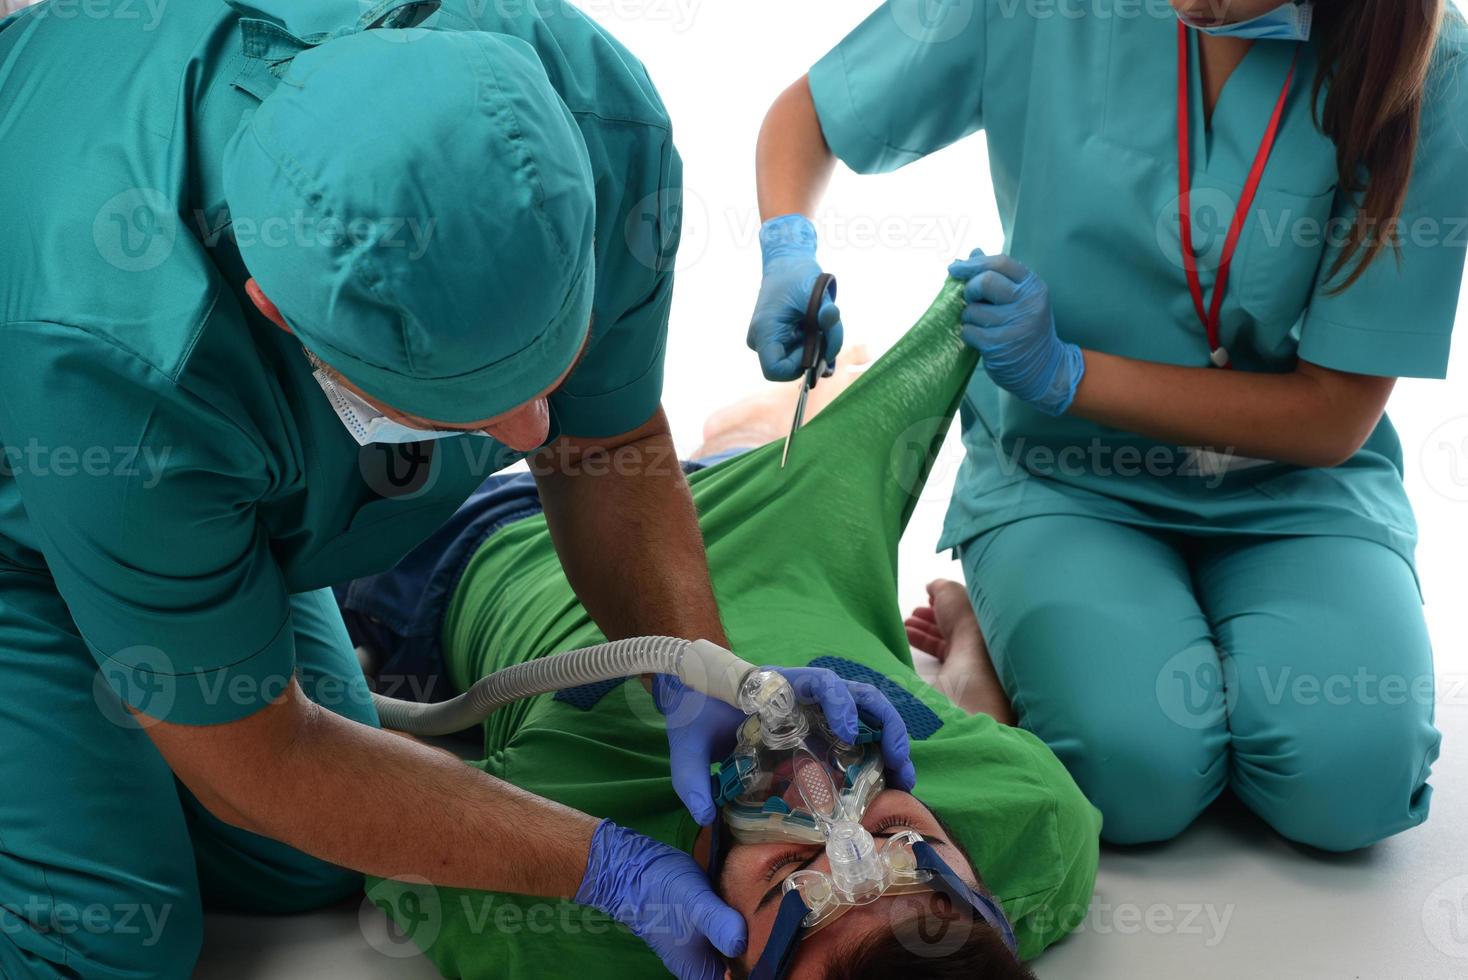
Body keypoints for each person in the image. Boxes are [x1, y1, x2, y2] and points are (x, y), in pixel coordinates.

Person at [0, 2, 913, 977]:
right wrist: (600, 865)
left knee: (308, 858)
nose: (530, 435)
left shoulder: (596, 124)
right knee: (101, 936)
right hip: (38, 490)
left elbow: (601, 450)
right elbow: (261, 759)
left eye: (545, 371)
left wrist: (699, 671)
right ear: (277, 311)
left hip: (188, 501)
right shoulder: (118, 350)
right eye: (462, 406)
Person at [749, 0, 1468, 851]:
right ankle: (982, 627)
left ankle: (1078, 644)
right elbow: (813, 114)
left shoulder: (1428, 63)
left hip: (1294, 486)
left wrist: (1071, 373)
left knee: (1354, 784)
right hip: (1064, 477)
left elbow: (1333, 412)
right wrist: (788, 246)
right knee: (1134, 781)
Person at [346, 282, 1100, 978]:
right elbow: (985, 737)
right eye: (905, 837)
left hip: (483, 539)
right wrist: (964, 634)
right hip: (785, 515)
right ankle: (743, 431)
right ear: (987, 894)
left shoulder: (550, 925)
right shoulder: (1040, 833)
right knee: (762, 431)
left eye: (783, 877)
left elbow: (364, 789)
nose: (821, 794)